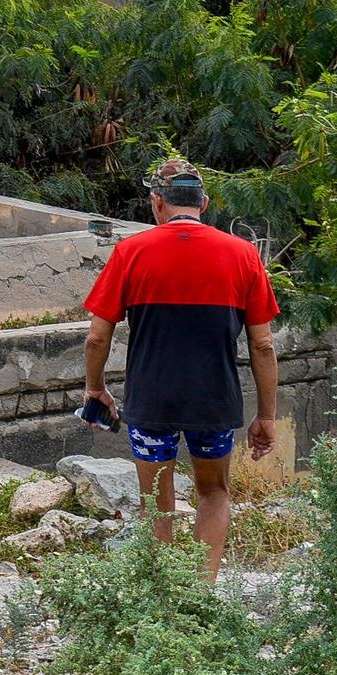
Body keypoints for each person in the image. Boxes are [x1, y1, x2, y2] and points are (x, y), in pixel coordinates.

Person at [81, 158, 280, 579]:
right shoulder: (243, 255)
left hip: (151, 400)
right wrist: (265, 415)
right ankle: (201, 592)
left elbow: (97, 337)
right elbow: (262, 344)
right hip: (214, 400)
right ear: (203, 203)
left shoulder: (130, 252)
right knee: (214, 492)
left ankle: (163, 599)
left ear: (157, 203)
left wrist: (95, 389)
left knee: (155, 500)